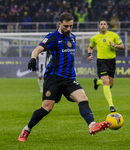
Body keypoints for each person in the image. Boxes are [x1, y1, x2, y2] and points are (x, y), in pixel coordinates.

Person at [18, 12, 110, 142]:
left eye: (71, 26)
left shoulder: (72, 37)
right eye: (66, 26)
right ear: (60, 24)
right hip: (53, 78)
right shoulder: (52, 37)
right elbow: (37, 49)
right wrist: (33, 59)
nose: (69, 29)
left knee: (83, 98)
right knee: (46, 108)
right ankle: (26, 129)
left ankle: (92, 125)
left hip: (69, 78)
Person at [87, 19, 125, 113]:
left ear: (107, 26)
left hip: (111, 62)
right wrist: (90, 54)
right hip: (101, 62)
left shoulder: (113, 35)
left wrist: (114, 46)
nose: (103, 26)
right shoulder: (95, 38)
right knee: (107, 83)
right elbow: (90, 47)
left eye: (104, 24)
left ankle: (97, 82)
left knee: (110, 85)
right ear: (99, 26)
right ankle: (111, 106)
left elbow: (122, 46)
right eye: (101, 24)